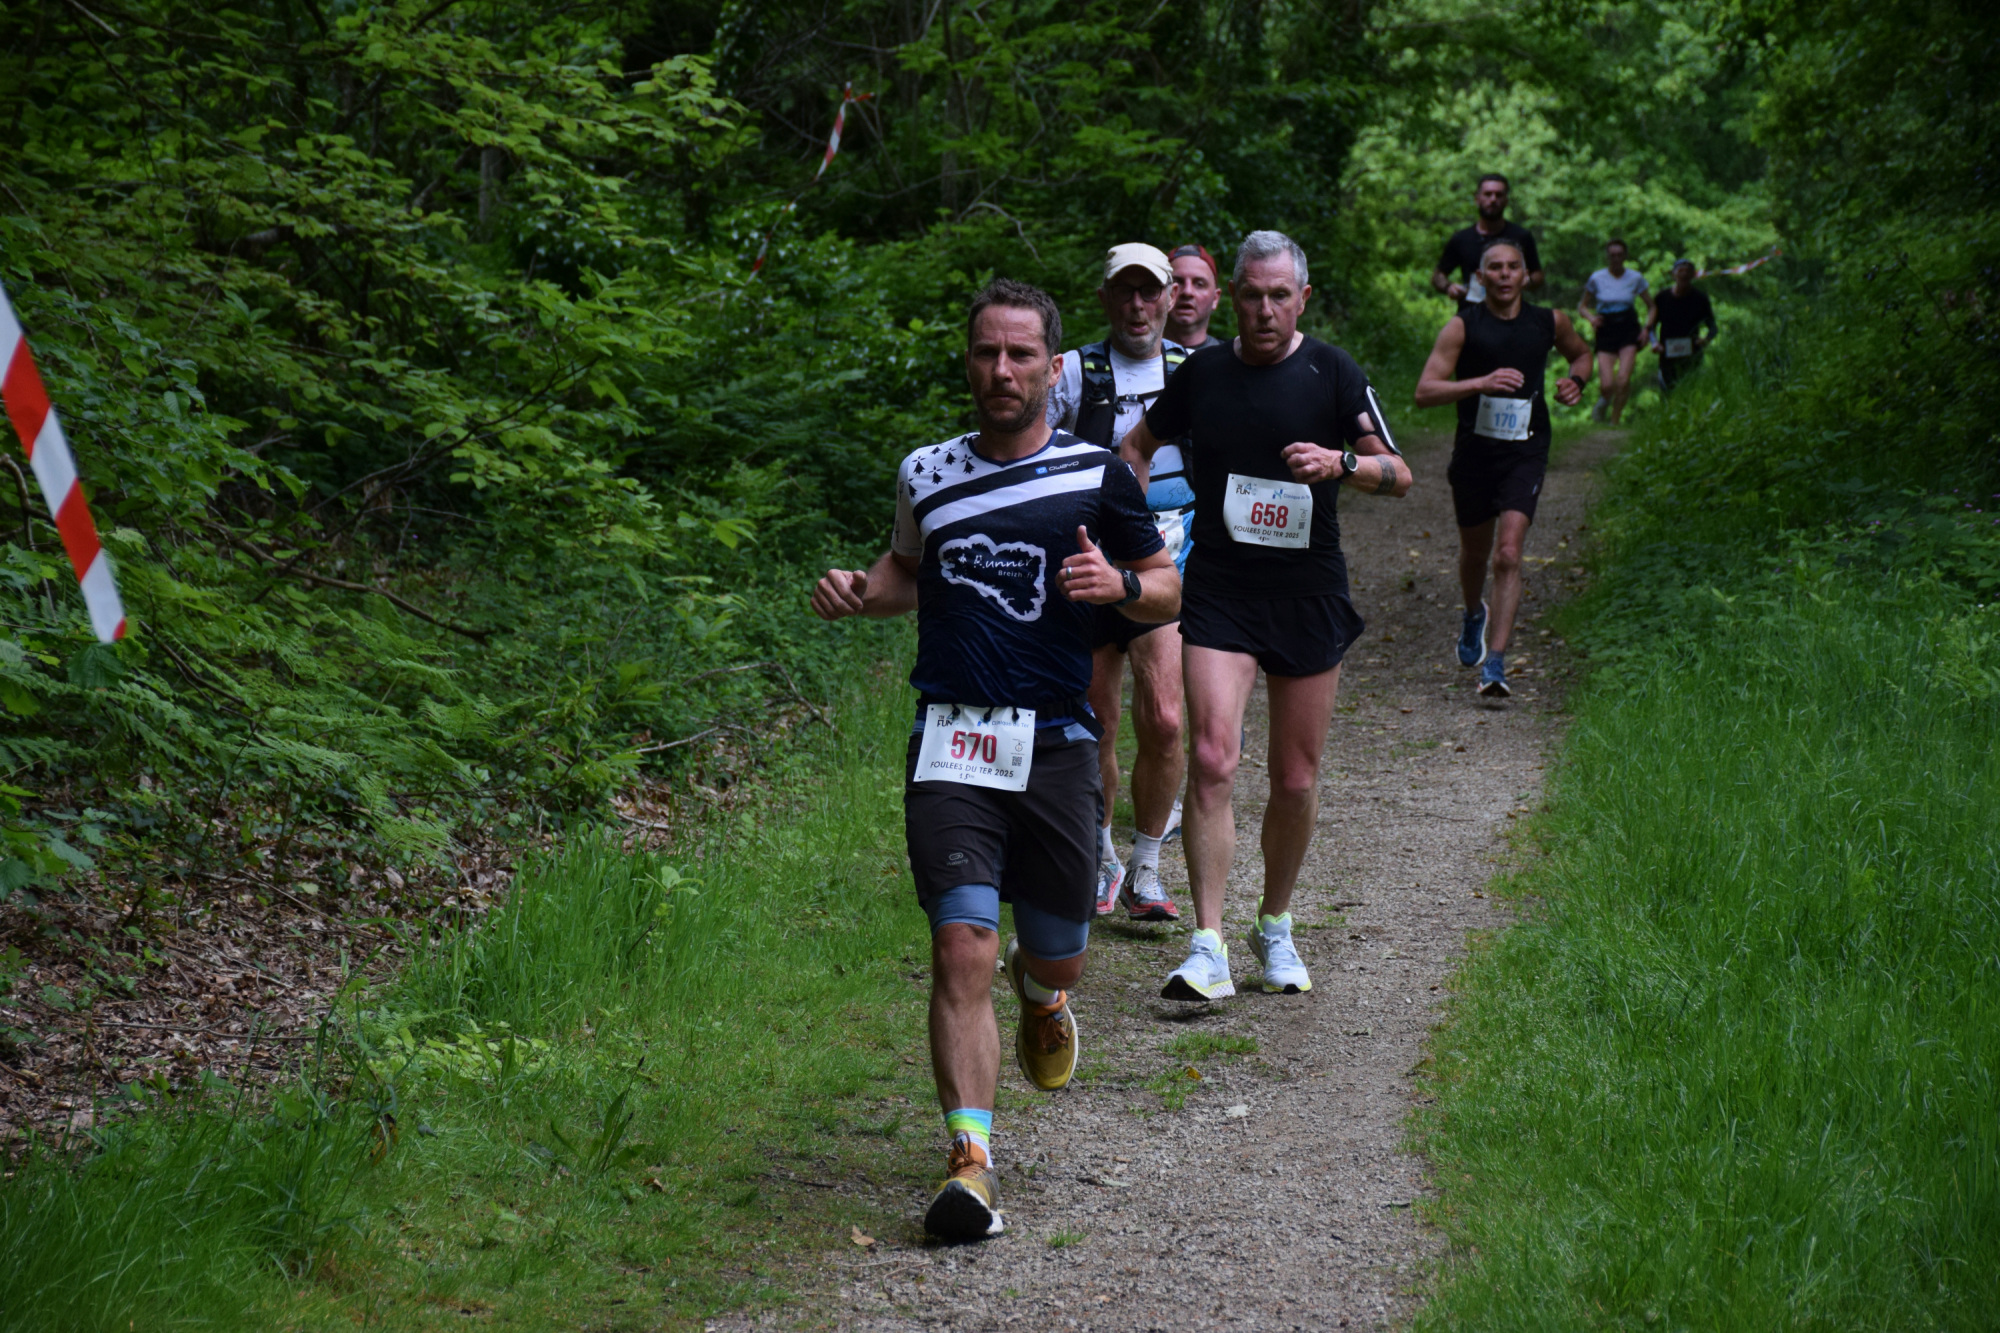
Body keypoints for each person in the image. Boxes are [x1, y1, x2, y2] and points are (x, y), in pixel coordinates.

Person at [811, 279, 1180, 1240]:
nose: (1002, 370)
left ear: (1054, 369)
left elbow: (1167, 589)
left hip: (1057, 742)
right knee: (960, 942)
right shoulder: (926, 472)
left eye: (1021, 355)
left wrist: (1119, 581)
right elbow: (907, 571)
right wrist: (860, 590)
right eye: (987, 352)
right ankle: (970, 1159)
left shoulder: (1098, 474)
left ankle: (1043, 987)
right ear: (969, 362)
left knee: (1058, 949)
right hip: (952, 738)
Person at [1121, 230, 1411, 1001]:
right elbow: (1136, 446)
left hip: (1307, 592)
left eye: (1280, 295)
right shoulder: (1204, 372)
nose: (1264, 310)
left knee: (1294, 777)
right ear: (1232, 299)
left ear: (1302, 299)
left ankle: (1274, 924)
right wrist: (1137, 535)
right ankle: (1207, 943)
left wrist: (1341, 463)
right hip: (1221, 590)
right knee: (1213, 757)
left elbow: (1400, 471)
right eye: (1251, 295)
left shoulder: (1332, 371)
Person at [1046, 244, 1191, 922]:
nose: (1138, 306)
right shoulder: (1072, 371)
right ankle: (1102, 856)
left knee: (1164, 717)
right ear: (1104, 298)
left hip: (1169, 562)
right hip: (1089, 560)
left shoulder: (1195, 371)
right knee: (1097, 719)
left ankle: (1148, 865)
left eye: (1150, 292)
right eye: (1124, 292)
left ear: (1170, 298)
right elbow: (1033, 455)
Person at [1414, 238, 1594, 699]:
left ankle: (1494, 664)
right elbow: (1425, 391)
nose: (1505, 274)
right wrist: (1481, 382)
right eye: (1495, 267)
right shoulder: (1462, 326)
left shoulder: (1550, 321)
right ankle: (1474, 612)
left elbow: (1582, 354)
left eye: (1514, 266)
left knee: (1508, 554)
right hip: (1475, 452)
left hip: (1526, 450)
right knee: (1475, 554)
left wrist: (1575, 381)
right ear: (1480, 277)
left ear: (1526, 275)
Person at [1432, 174, 1545, 305]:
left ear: (1506, 200)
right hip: (1471, 311)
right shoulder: (1462, 239)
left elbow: (1537, 274)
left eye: (1499, 195)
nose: (1493, 199)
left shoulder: (1521, 237)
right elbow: (1438, 275)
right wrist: (1449, 287)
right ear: (1477, 199)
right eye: (1488, 194)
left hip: (1511, 311)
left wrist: (1526, 282)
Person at [1578, 239, 1653, 425]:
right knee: (1607, 385)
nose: (1616, 259)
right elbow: (1582, 306)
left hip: (1628, 328)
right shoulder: (1597, 278)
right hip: (1606, 329)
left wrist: (1647, 329)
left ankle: (1615, 420)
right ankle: (1603, 403)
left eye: (1620, 255)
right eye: (1612, 255)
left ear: (1625, 256)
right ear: (1607, 257)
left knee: (1623, 380)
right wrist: (1592, 319)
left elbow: (1652, 307)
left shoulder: (1635, 278)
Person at [1647, 258, 1717, 393]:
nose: (1684, 275)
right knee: (1668, 390)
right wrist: (1654, 342)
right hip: (1667, 353)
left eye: (1688, 272)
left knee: (1691, 390)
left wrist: (1706, 339)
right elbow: (1651, 327)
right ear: (1673, 274)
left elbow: (1713, 327)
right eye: (1680, 271)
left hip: (1692, 352)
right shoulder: (1662, 297)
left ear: (1693, 275)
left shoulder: (1700, 298)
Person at [1166, 244, 1223, 349]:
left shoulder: (1230, 357)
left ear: (1215, 298)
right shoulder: (1137, 355)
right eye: (1177, 282)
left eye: (1199, 284)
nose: (1187, 292)